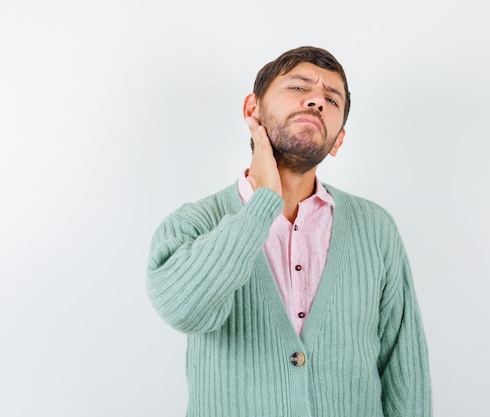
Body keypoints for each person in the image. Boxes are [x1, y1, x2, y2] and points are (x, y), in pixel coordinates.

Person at [147, 46, 432, 417]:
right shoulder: (193, 223)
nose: (317, 100)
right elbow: (183, 309)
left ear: (338, 140)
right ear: (253, 109)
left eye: (332, 99)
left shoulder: (375, 227)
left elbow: (404, 367)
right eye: (299, 88)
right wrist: (261, 205)